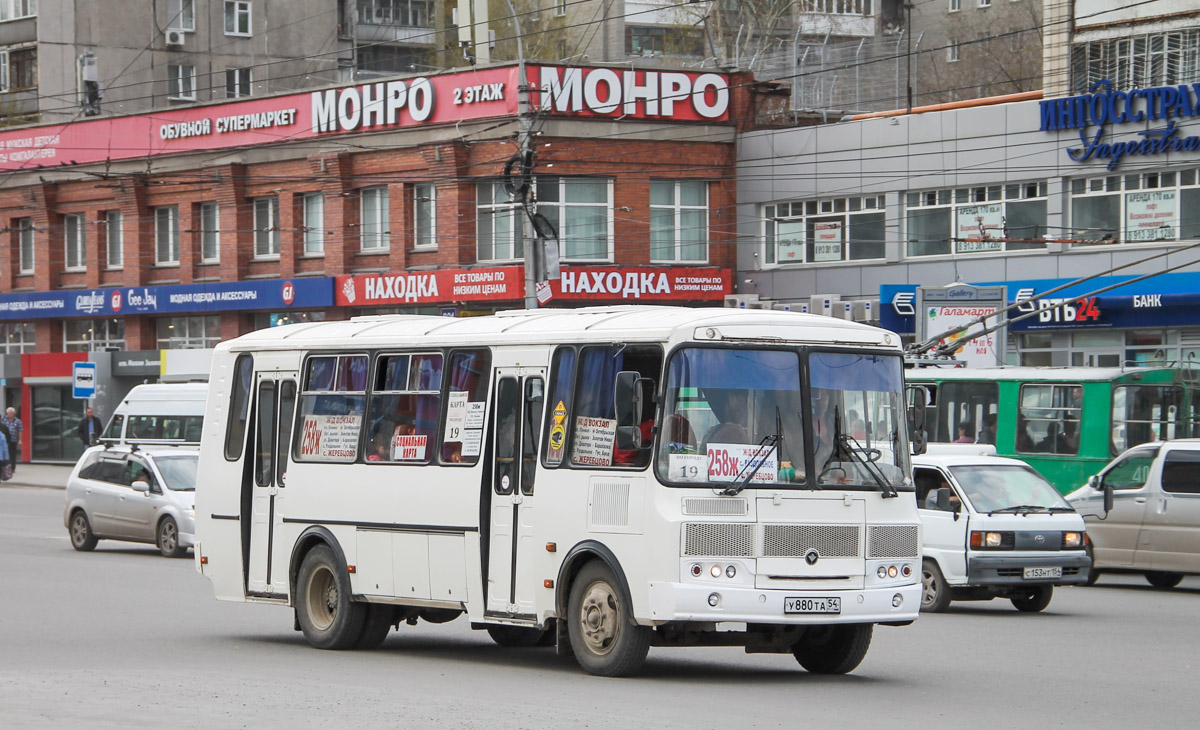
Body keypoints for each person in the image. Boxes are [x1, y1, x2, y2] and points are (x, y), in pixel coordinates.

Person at [1, 407, 21, 475]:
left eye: (11, 413)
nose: (10, 414)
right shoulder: (4, 420)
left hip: (13, 439)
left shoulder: (17, 421)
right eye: (9, 413)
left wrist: (20, 440)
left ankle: (12, 467)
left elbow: (20, 430)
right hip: (5, 440)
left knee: (12, 454)